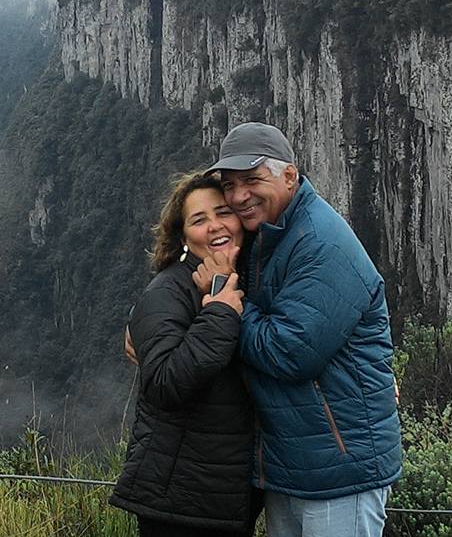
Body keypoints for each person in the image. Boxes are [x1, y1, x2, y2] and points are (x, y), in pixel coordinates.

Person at [200, 122, 403, 536]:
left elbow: (290, 353)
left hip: (339, 472)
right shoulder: (267, 235)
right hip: (290, 465)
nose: (238, 196)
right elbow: (194, 261)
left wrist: (224, 303)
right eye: (230, 185)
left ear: (289, 176)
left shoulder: (320, 242)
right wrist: (148, 325)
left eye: (252, 180)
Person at [110, 172, 262, 536]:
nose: (215, 226)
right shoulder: (168, 292)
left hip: (228, 496)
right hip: (180, 501)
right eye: (198, 220)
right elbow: (165, 383)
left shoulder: (250, 280)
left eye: (223, 212)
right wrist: (220, 312)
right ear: (182, 237)